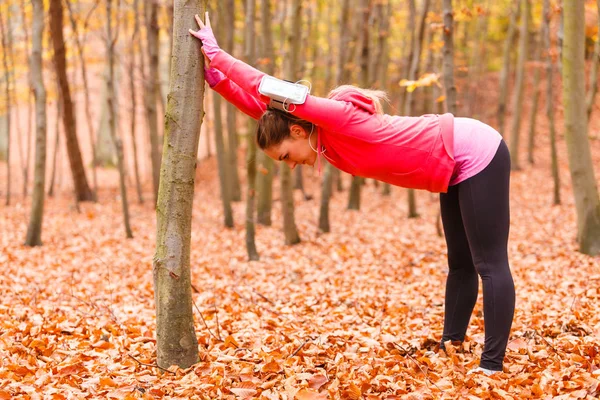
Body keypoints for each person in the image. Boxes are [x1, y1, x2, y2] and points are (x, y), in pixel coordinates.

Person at [190, 13, 515, 375]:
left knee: (489, 264)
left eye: (285, 157)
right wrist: (219, 83)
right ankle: (450, 347)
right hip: (450, 167)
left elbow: (268, 86)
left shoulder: (339, 119)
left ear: (299, 133)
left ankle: (491, 365)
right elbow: (264, 110)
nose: (291, 165)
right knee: (460, 263)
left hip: (475, 150)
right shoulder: (320, 138)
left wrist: (218, 55)